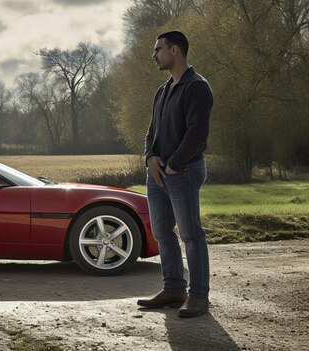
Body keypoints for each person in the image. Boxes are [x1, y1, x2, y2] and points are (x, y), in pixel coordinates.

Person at [136, 31, 213, 317]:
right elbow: (150, 132)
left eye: (158, 49)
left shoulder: (197, 87)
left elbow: (198, 134)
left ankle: (199, 296)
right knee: (161, 232)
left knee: (191, 235)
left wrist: (173, 165)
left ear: (175, 50)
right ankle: (173, 289)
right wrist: (150, 158)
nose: (154, 54)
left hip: (184, 171)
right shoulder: (162, 90)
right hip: (157, 174)